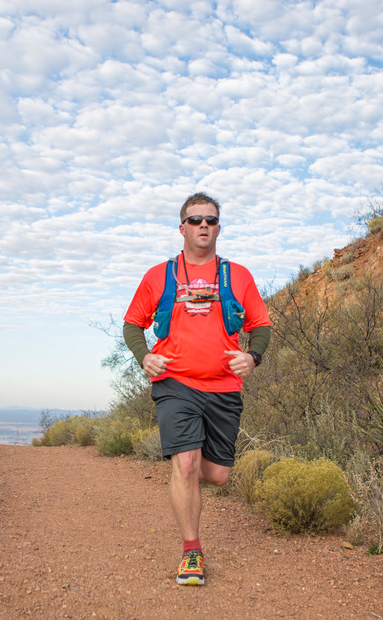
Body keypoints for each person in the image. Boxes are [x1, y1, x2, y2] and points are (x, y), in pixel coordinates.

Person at [122, 192, 271, 586]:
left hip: (224, 386)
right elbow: (132, 324)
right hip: (175, 382)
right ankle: (192, 552)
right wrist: (145, 357)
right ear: (182, 228)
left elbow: (261, 325)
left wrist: (253, 357)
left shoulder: (238, 275)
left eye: (210, 219)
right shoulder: (159, 275)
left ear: (218, 227)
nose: (203, 225)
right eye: (195, 220)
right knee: (185, 464)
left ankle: (186, 460)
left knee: (218, 475)